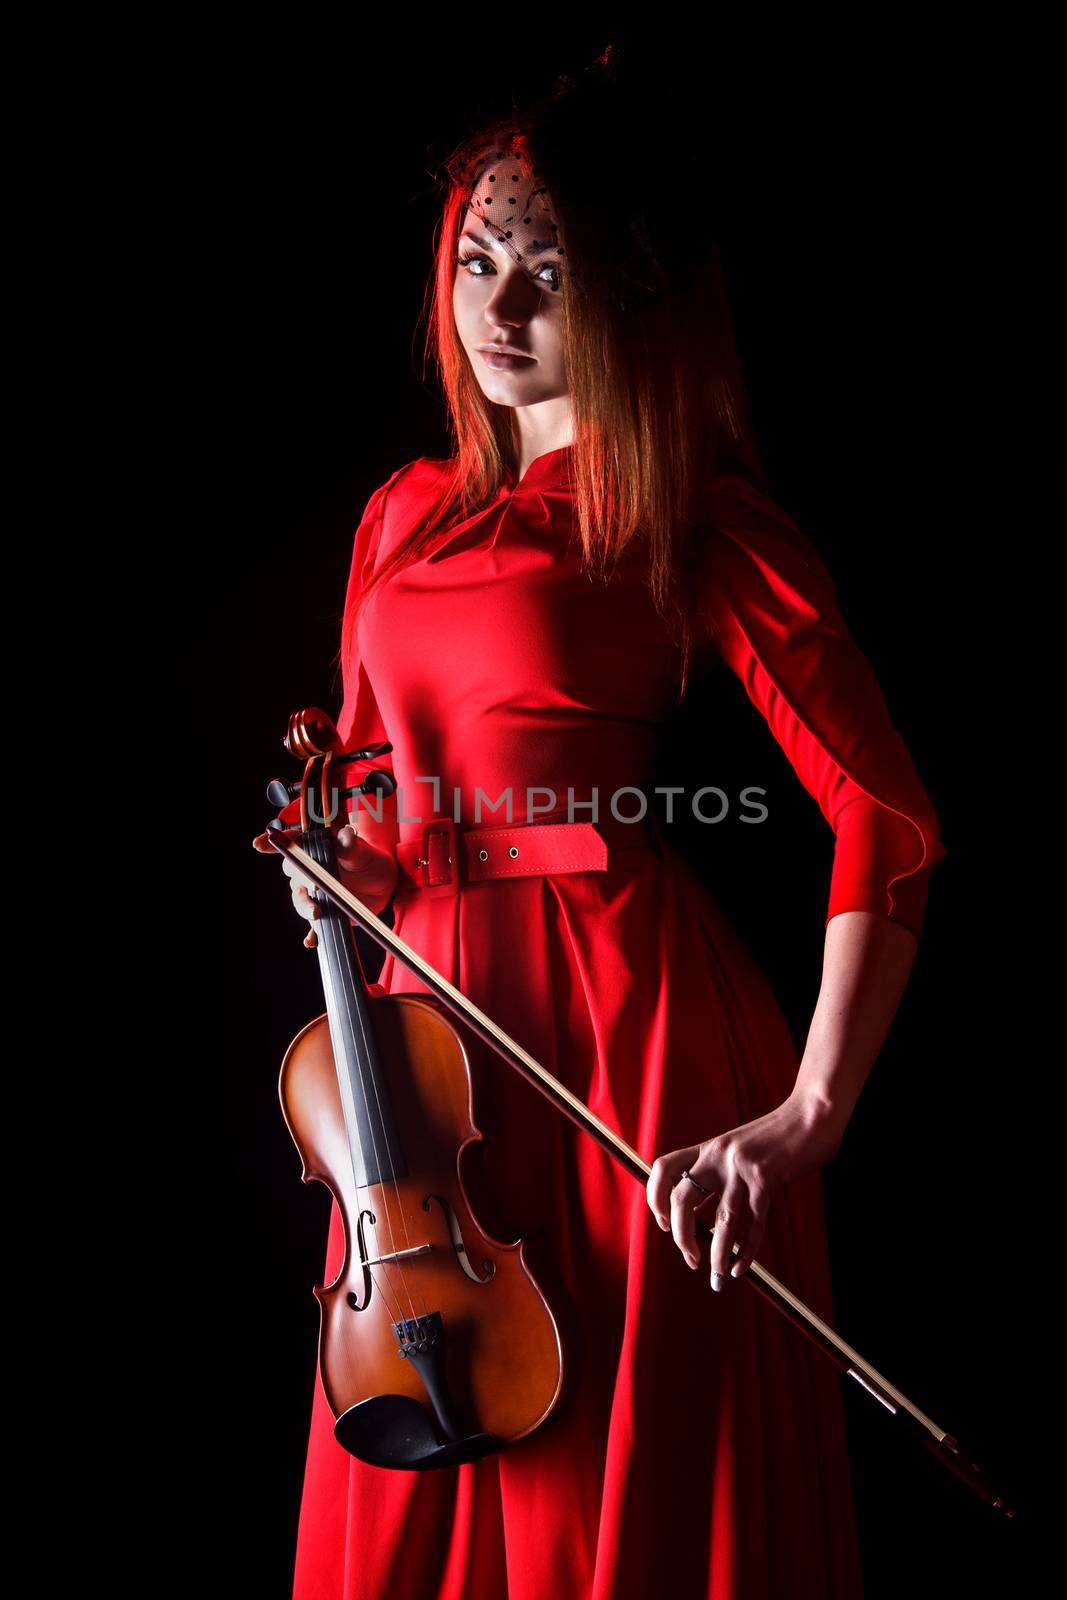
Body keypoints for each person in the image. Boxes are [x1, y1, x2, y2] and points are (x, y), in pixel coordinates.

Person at [254, 50, 947, 1600]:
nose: (498, 312)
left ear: (628, 294)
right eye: (478, 266)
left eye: (547, 276)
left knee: (618, 1510)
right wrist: (339, 866)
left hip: (619, 1035)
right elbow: (376, 794)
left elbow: (881, 812)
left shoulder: (687, 513)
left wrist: (808, 1116)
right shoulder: (399, 512)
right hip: (420, 1076)